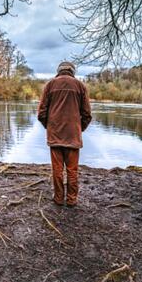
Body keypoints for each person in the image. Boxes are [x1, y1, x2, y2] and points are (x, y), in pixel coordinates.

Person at [37, 61, 92, 206]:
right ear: (72, 71)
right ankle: (72, 200)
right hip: (73, 135)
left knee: (57, 169)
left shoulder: (50, 85)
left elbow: (41, 113)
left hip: (55, 134)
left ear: (59, 70)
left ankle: (59, 198)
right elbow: (87, 114)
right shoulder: (81, 86)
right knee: (72, 170)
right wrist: (79, 129)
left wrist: (50, 127)